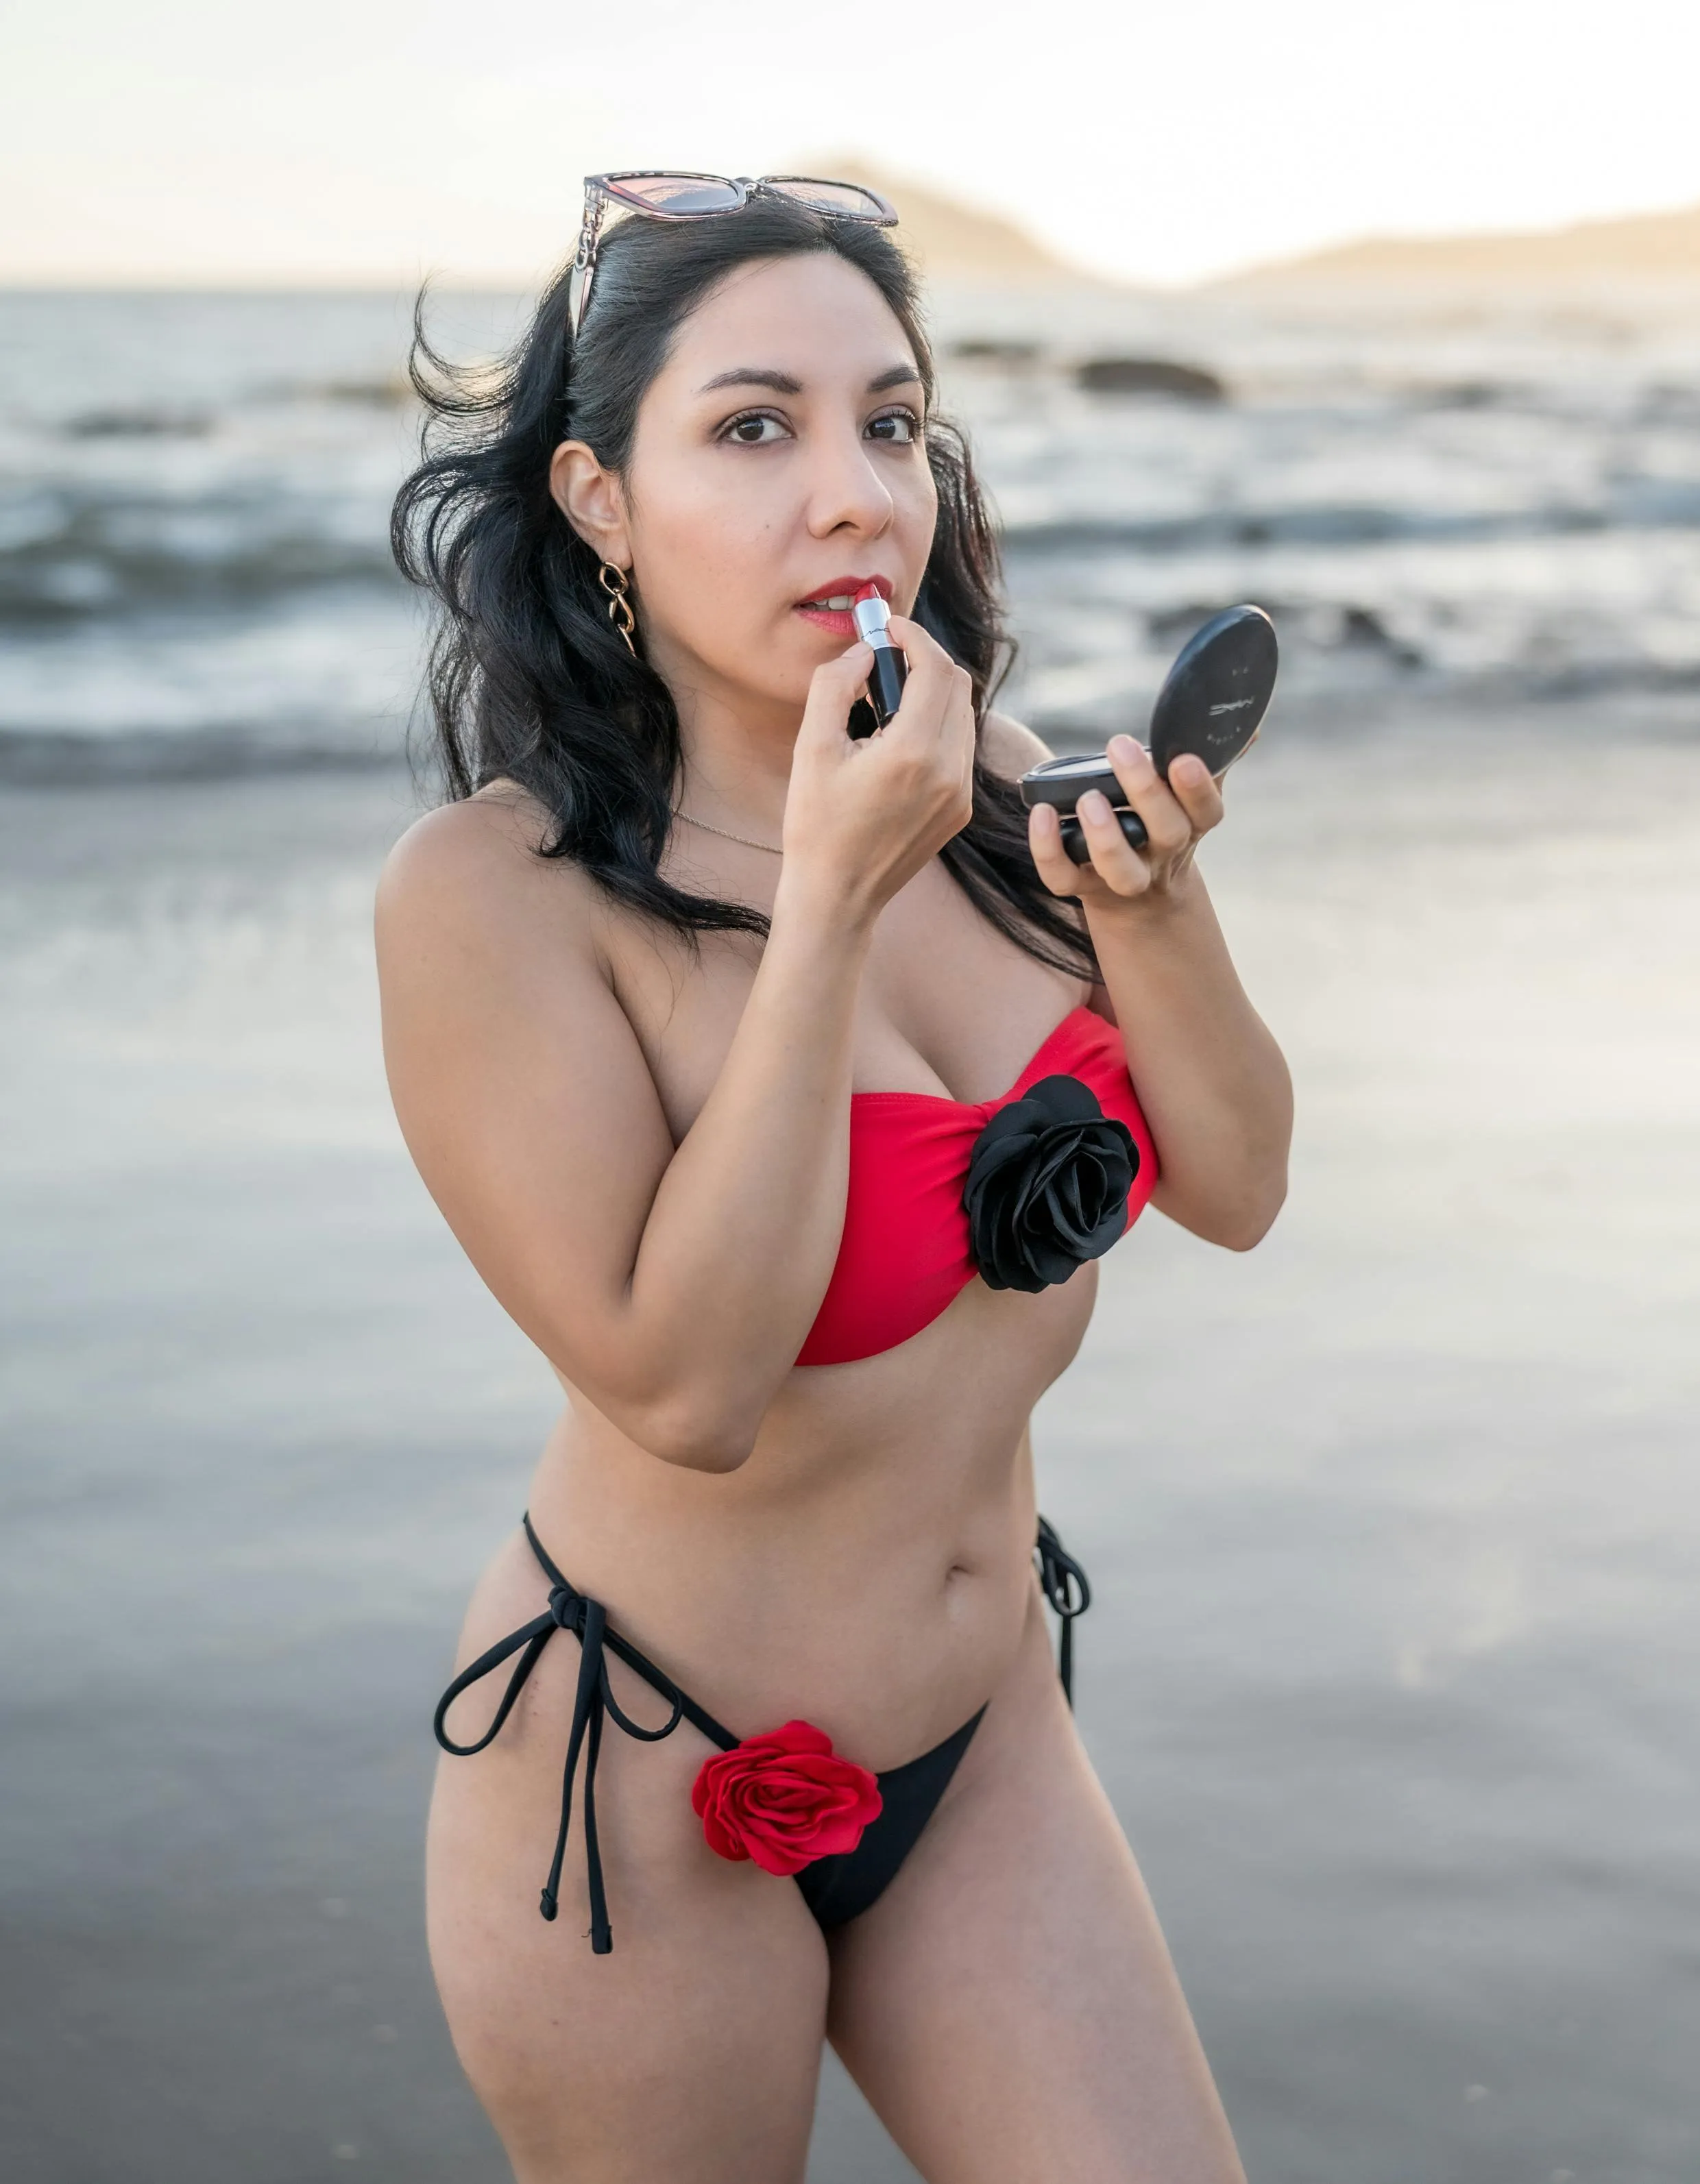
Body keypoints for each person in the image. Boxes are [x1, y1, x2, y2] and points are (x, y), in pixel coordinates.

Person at [378, 173, 1291, 2184]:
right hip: (637, 1791)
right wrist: (820, 918)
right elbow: (687, 1392)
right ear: (597, 498)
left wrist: (1153, 915)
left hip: (982, 1744)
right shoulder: (497, 900)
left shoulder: (988, 785)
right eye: (751, 426)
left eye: (887, 422)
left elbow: (1233, 1185)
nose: (852, 494)